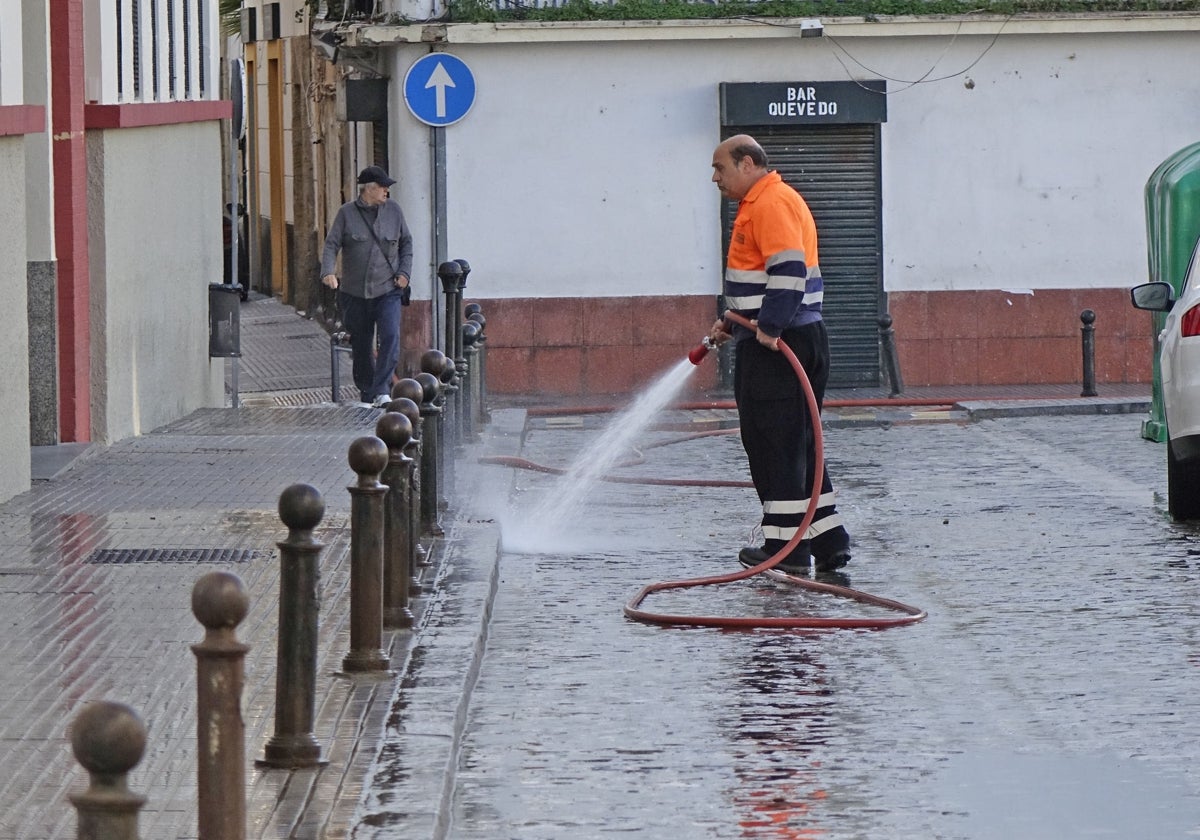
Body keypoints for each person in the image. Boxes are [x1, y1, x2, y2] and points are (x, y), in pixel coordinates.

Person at [706, 134, 852, 575]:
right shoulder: (765, 202)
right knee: (801, 444)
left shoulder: (770, 204)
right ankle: (828, 539)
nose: (715, 178)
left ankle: (785, 548)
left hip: (781, 346)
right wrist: (735, 320)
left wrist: (768, 328)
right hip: (787, 338)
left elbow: (788, 273)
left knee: (777, 444)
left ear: (747, 163)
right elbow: (763, 278)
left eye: (721, 168)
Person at [321, 165, 414, 406]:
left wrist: (404, 273)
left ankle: (382, 389)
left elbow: (406, 244)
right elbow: (332, 244)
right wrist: (328, 271)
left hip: (388, 290)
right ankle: (366, 392)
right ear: (369, 189)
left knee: (390, 336)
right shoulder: (346, 214)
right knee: (361, 345)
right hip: (354, 293)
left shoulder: (394, 211)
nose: (386, 191)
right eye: (383, 187)